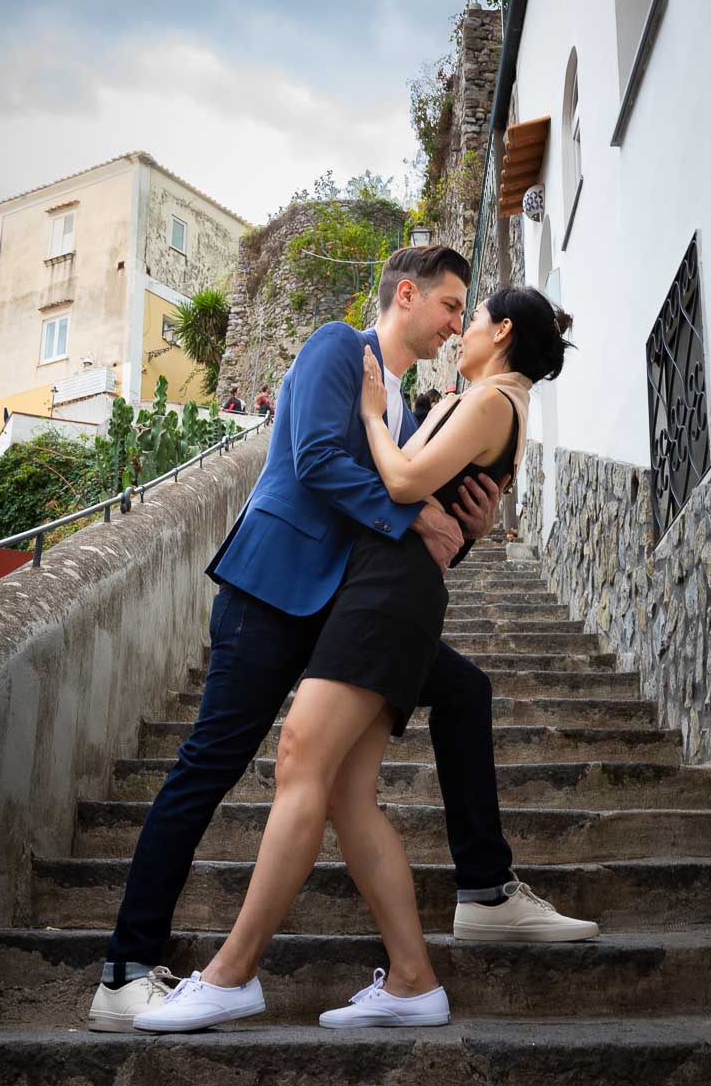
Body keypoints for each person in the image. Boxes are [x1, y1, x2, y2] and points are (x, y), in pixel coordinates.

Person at [84, 246, 599, 1034]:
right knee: (206, 769)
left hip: (343, 616)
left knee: (465, 690)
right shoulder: (338, 347)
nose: (456, 324)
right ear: (406, 294)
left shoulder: (409, 408)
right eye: (450, 306)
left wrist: (464, 529)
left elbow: (417, 526)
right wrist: (410, 512)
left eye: (467, 312)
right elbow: (316, 459)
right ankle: (124, 970)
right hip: (273, 592)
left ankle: (485, 889)